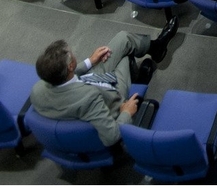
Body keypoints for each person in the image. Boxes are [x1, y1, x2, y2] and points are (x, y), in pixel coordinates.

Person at [30, 22, 178, 147]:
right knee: (125, 57)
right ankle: (138, 78)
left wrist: (90, 61)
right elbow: (111, 136)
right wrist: (126, 112)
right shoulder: (88, 98)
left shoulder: (39, 88)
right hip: (112, 96)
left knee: (123, 39)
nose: (73, 52)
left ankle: (157, 48)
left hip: (87, 80)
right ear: (70, 67)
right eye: (71, 53)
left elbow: (66, 77)